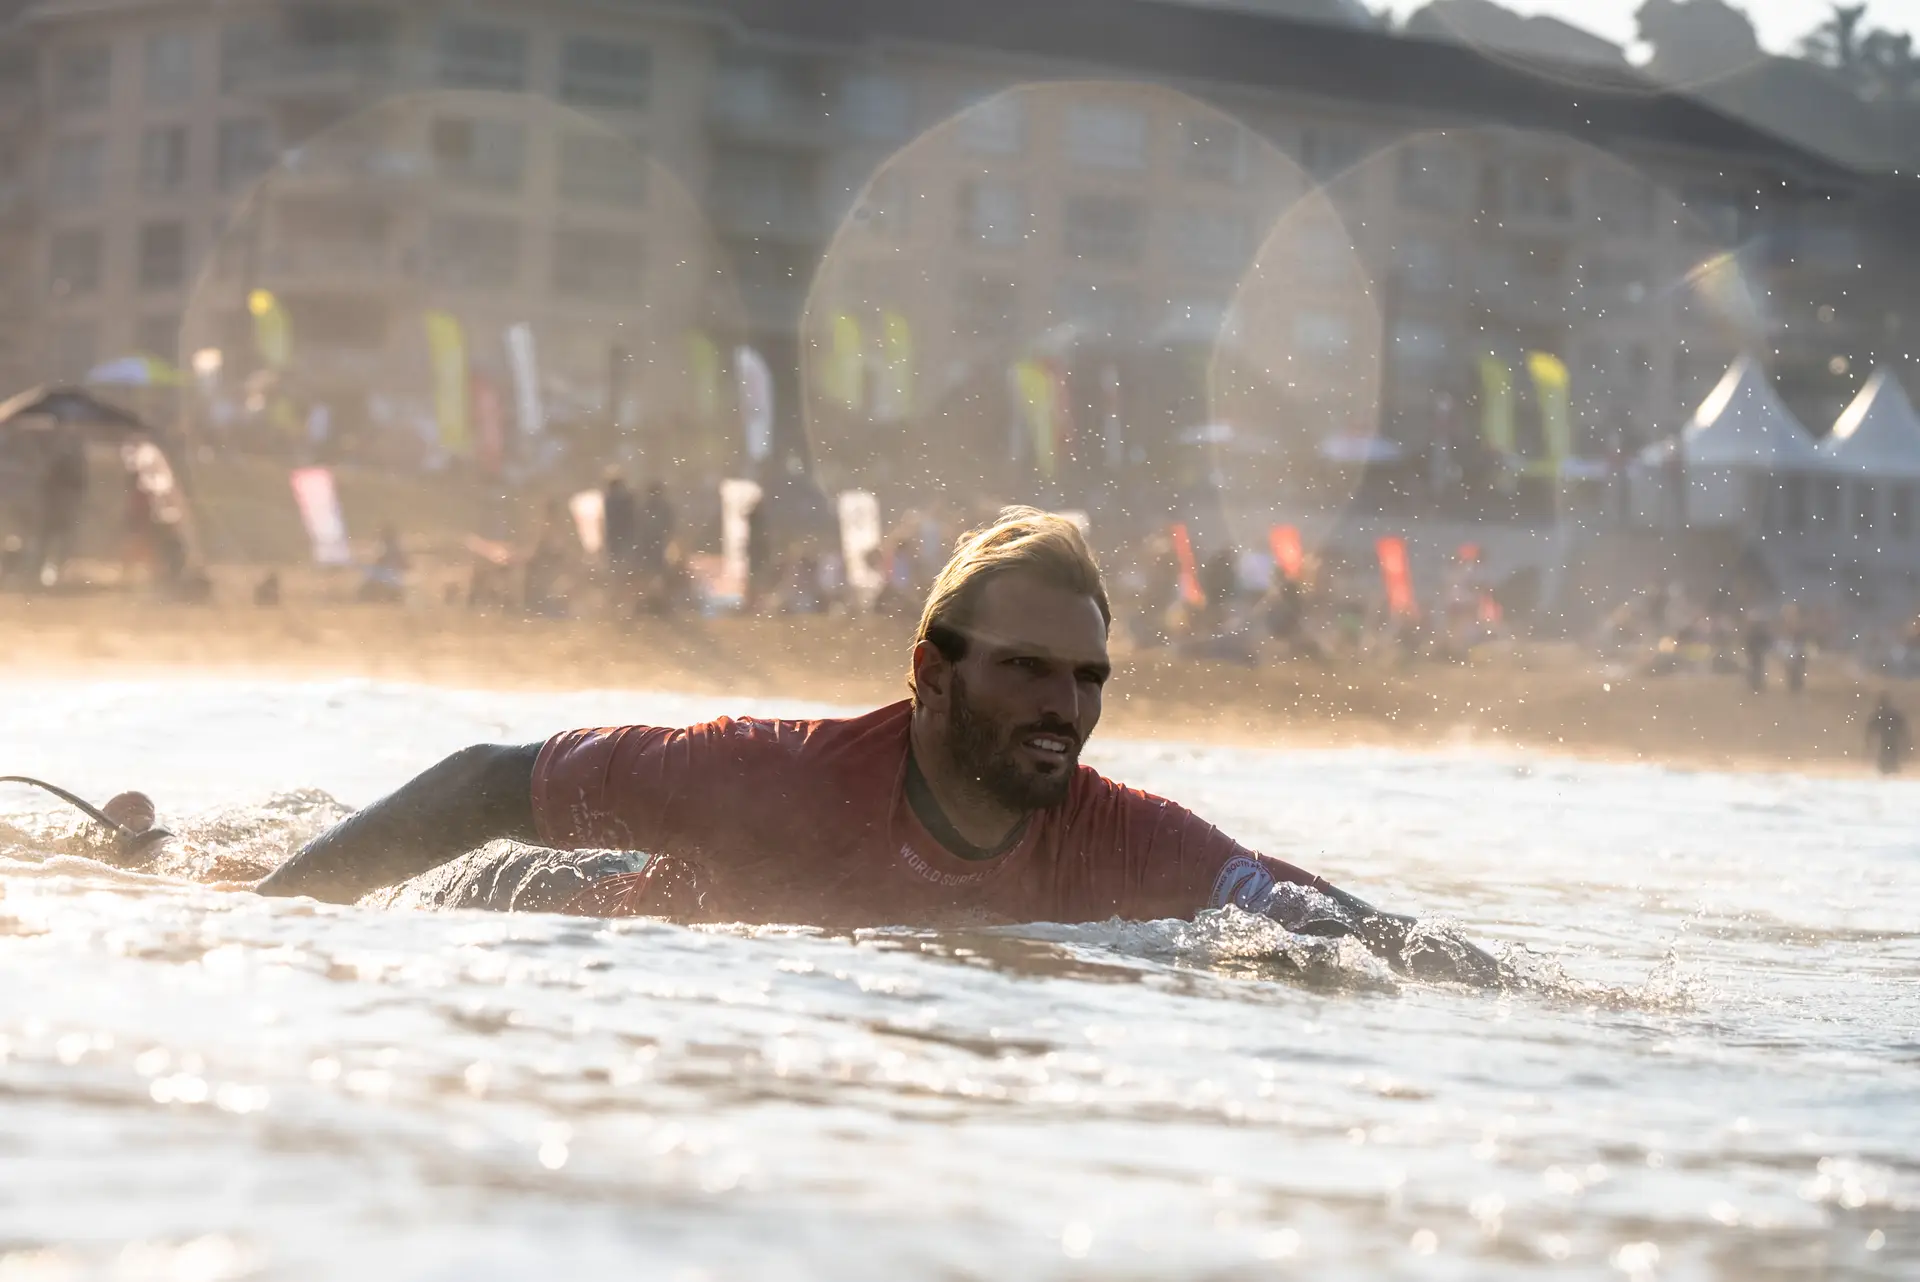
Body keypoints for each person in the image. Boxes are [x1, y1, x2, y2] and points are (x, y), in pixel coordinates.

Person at [256, 508, 1496, 983]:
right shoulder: (767, 770)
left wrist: (1556, 1002)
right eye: (1025, 671)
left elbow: (1322, 913)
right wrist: (269, 922)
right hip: (545, 906)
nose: (1063, 707)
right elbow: (482, 784)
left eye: (1087, 678)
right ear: (930, 674)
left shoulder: (1129, 836)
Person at [1866, 694, 1909, 777]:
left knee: (1886, 757)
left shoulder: (1880, 714)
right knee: (1891, 757)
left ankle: (1887, 770)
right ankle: (1890, 770)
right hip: (1891, 740)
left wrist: (1868, 741)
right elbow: (1903, 727)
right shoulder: (1893, 714)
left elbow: (1870, 728)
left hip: (1886, 740)